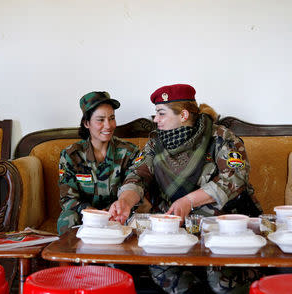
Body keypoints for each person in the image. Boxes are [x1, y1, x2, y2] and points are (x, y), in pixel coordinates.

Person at [109, 83, 263, 293]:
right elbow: (138, 175)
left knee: (221, 279)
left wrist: (188, 201)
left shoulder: (220, 137)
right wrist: (125, 201)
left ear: (182, 115)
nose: (156, 120)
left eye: (161, 114)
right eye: (156, 114)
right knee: (164, 272)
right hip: (174, 230)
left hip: (221, 229)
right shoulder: (155, 143)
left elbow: (236, 177)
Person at [57, 91, 140, 235]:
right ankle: (70, 257)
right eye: (100, 120)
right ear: (86, 123)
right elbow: (68, 198)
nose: (108, 126)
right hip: (85, 216)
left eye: (112, 118)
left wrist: (113, 211)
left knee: (138, 219)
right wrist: (93, 213)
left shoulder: (129, 152)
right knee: (67, 218)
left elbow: (135, 185)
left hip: (120, 214)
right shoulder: (72, 155)